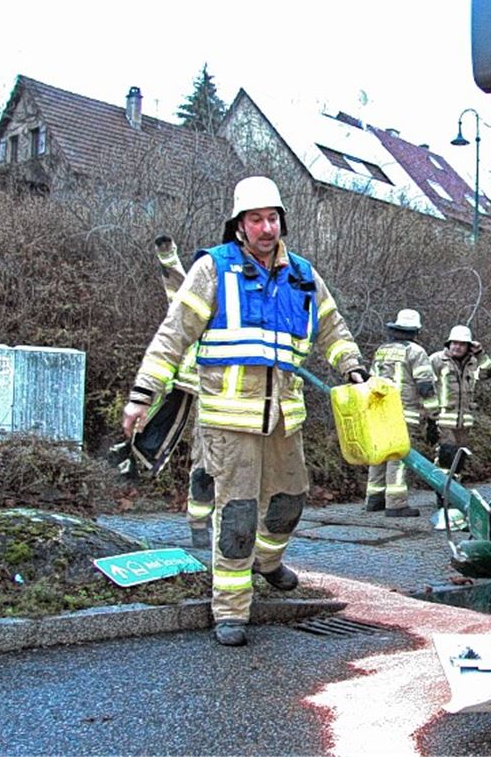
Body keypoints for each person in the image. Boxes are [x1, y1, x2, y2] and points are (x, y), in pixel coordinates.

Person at [122, 176, 368, 647]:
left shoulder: (302, 274)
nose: (266, 227)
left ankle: (268, 562)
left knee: (290, 501)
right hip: (228, 420)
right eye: (256, 219)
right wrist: (142, 394)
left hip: (284, 418)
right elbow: (172, 336)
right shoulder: (214, 269)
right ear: (239, 225)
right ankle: (231, 608)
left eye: (272, 218)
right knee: (237, 515)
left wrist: (352, 367)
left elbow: (333, 329)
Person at [153, 235, 213, 549]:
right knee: (205, 458)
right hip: (204, 389)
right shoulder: (199, 296)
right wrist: (168, 255)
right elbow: (178, 286)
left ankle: (211, 520)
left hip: (225, 389)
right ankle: (199, 522)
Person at [365, 309, 440, 517]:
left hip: (378, 412)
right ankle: (396, 504)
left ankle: (374, 498)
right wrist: (434, 416)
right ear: (416, 330)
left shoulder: (381, 350)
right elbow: (425, 386)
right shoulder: (416, 352)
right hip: (402, 413)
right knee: (398, 457)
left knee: (378, 454)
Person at [428, 324, 491, 473]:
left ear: (468, 346)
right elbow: (425, 389)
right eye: (454, 343)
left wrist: (480, 353)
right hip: (443, 420)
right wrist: (430, 420)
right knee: (446, 457)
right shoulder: (436, 360)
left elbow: (488, 373)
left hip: (464, 422)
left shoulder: (473, 363)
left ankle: (454, 492)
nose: (457, 347)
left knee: (459, 460)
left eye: (462, 344)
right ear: (449, 343)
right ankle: (441, 494)